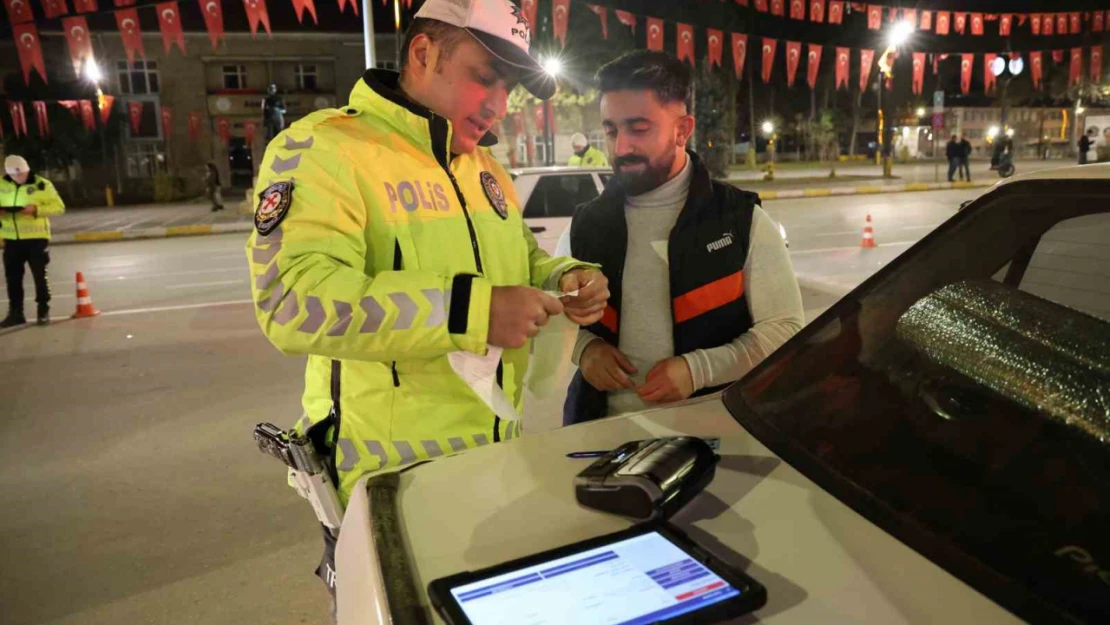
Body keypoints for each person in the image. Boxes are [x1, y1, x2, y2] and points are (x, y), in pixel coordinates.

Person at [244, 0, 609, 600]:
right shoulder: (323, 150)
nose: (498, 104)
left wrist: (568, 275)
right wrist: (474, 310)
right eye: (483, 77)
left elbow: (523, 258)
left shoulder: (484, 168)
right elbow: (291, 299)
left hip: (493, 468)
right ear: (422, 53)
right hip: (387, 491)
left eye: (509, 87)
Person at [558, 51, 804, 425]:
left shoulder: (740, 220)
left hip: (719, 433)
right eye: (611, 130)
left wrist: (699, 370)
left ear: (682, 129)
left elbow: (784, 330)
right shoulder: (584, 226)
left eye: (639, 129)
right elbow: (554, 319)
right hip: (597, 434)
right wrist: (585, 350)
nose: (621, 148)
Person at [1, 155, 65, 328]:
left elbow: (59, 207)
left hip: (36, 240)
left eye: (22, 174)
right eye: (15, 176)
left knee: (39, 276)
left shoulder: (41, 185)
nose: (20, 178)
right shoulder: (1, 185)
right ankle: (16, 313)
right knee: (12, 279)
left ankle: (43, 310)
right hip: (11, 240)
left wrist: (36, 209)